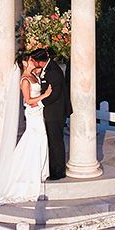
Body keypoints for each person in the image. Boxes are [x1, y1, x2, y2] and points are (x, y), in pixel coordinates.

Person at [0, 52, 51, 205]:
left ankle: (41, 170)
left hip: (39, 111)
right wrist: (45, 96)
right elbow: (28, 100)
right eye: (30, 60)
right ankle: (27, 172)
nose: (33, 61)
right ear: (25, 63)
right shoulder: (25, 80)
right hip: (33, 112)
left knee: (41, 138)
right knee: (35, 138)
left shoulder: (35, 75)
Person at [32, 47, 68, 180]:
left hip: (55, 112)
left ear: (38, 62)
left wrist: (39, 103)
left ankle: (58, 172)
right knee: (52, 140)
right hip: (51, 110)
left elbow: (54, 94)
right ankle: (52, 167)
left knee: (56, 141)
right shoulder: (48, 68)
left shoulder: (53, 71)